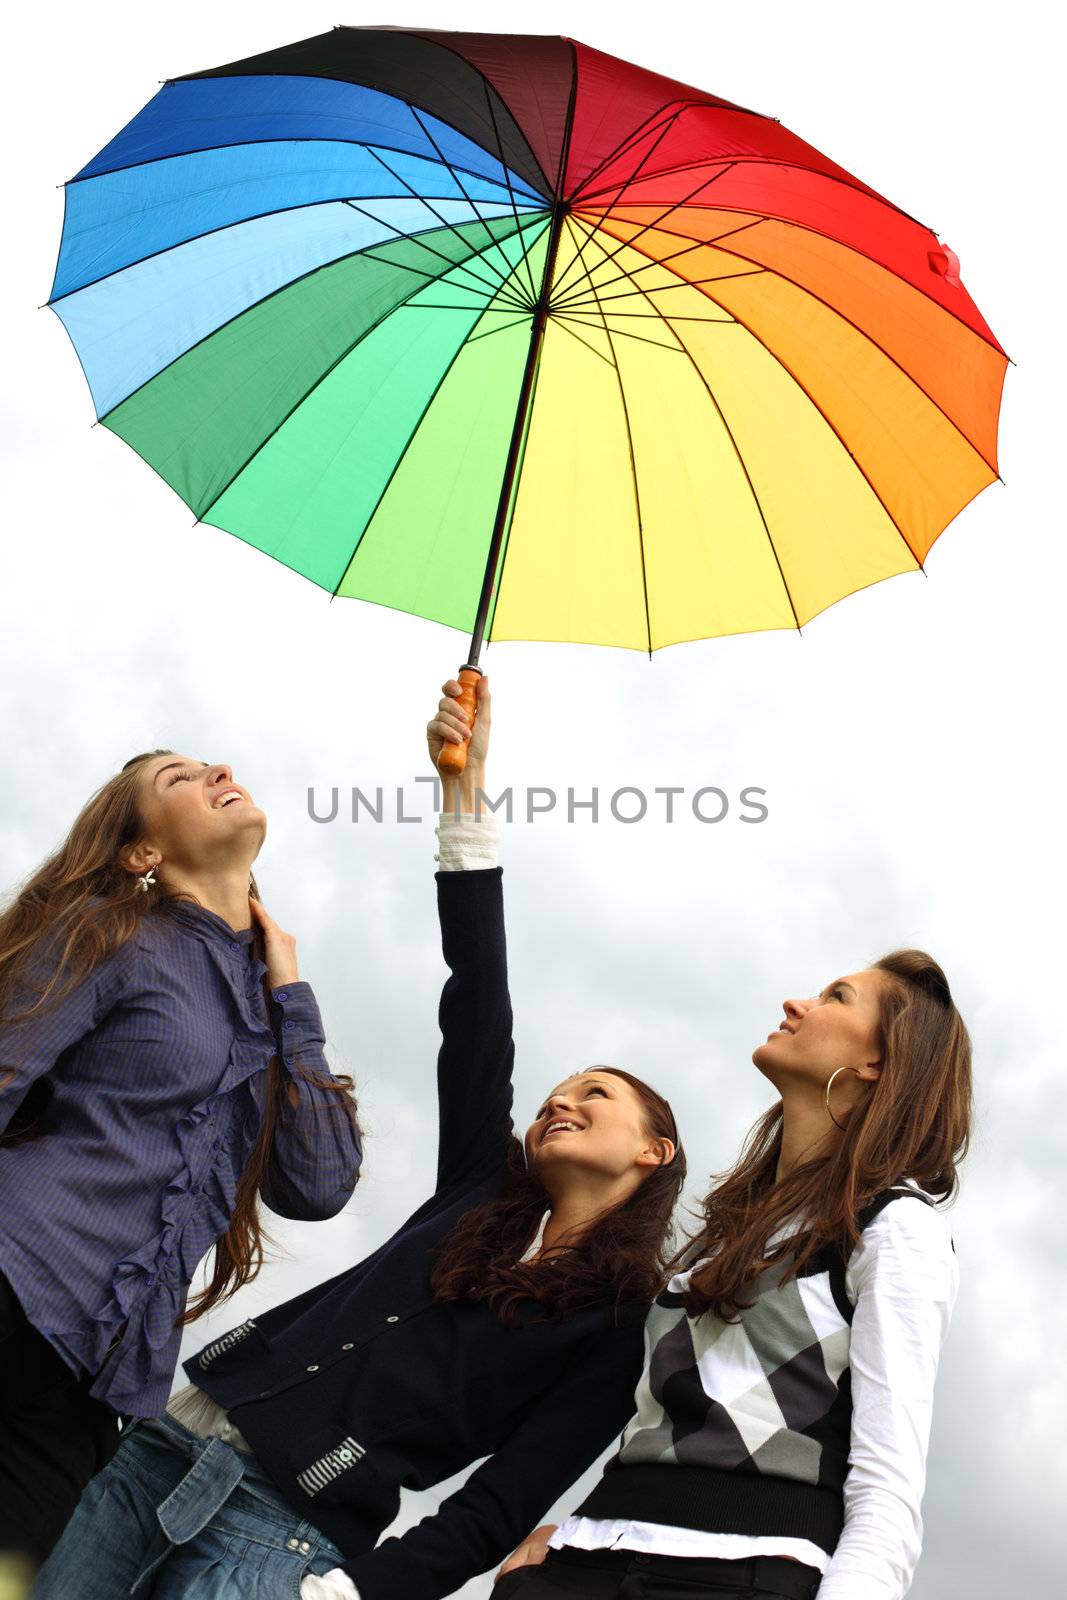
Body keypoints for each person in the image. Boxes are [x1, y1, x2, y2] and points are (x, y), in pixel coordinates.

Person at [32, 674, 687, 1600]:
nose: (558, 1102)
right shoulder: (480, 1190)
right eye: (553, 1092)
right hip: (166, 1448)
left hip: (285, 1542)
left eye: (596, 1095)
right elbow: (478, 1002)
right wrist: (464, 792)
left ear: (652, 1151)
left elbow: (503, 1502)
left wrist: (367, 1593)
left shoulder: (621, 1326)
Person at [496, 949, 971, 1599]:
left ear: (876, 1062)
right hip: (585, 1559)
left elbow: (886, 1484)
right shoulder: (720, 1235)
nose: (795, 1004)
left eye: (834, 997)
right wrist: (569, 1537)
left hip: (738, 1575)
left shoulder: (894, 1228)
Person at [0, 747, 363, 1568]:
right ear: (142, 855)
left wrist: (292, 998)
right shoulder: (110, 930)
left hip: (91, 1378)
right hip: (13, 1272)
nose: (220, 769)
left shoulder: (274, 1007)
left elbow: (317, 1186)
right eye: (179, 778)